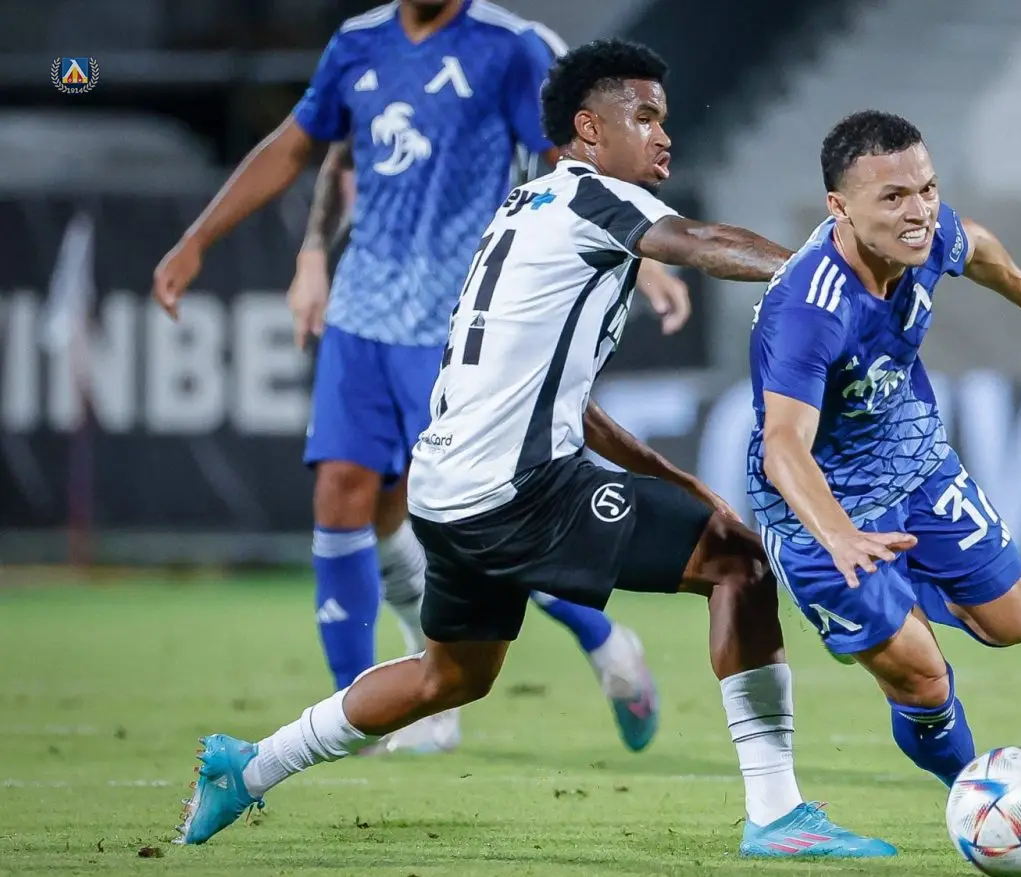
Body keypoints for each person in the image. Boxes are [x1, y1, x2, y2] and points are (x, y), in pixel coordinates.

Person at [173, 38, 895, 860]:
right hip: (515, 489)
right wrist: (826, 272)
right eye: (644, 117)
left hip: (448, 489)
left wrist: (674, 479)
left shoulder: (529, 207)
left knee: (451, 677)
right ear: (588, 130)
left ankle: (248, 767)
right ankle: (777, 814)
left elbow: (565, 401)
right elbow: (698, 242)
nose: (664, 136)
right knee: (739, 563)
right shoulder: (595, 197)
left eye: (664, 119)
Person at [153, 0, 689, 755]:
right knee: (346, 495)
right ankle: (360, 713)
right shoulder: (358, 43)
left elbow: (576, 162)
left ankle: (602, 639)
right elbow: (315, 147)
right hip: (362, 312)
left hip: (461, 322)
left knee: (478, 517)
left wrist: (645, 252)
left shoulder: (511, 47)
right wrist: (263, 247)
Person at [748, 110, 1021, 787]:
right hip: (825, 511)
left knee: (1014, 620)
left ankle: (893, 613)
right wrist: (839, 534)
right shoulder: (809, 308)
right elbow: (782, 447)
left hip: (912, 462)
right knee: (924, 679)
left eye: (926, 189)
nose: (919, 211)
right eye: (893, 197)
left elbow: (972, 241)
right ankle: (975, 794)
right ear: (839, 207)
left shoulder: (923, 236)